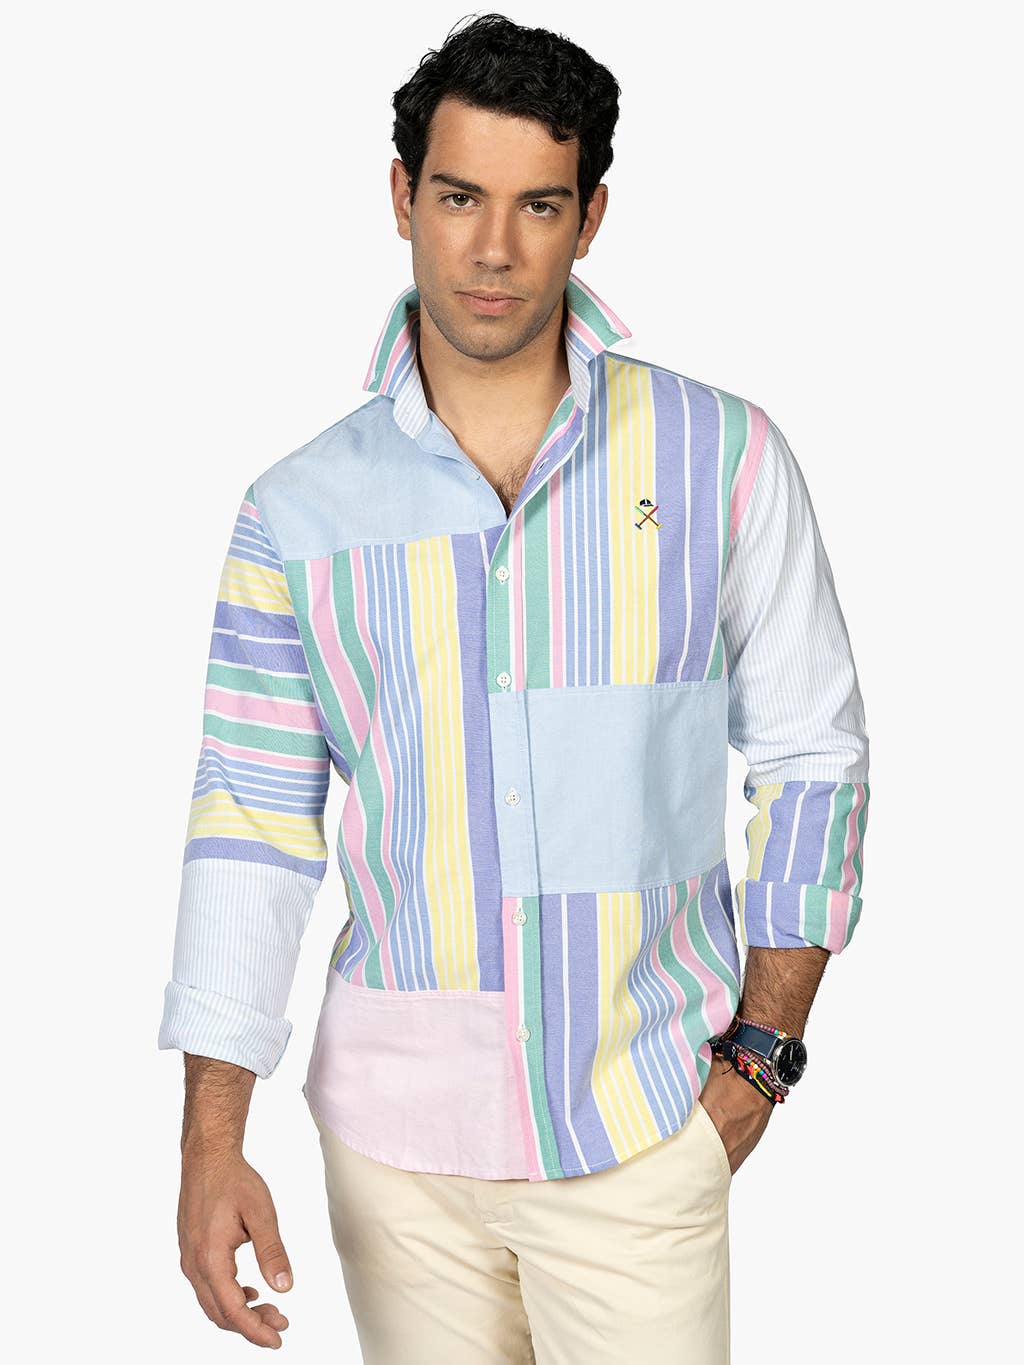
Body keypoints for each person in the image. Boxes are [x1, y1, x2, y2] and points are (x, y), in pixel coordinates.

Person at [158, 13, 870, 1363]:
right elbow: (249, 821)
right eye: (459, 197)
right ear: (401, 197)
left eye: (539, 204)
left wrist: (761, 1056)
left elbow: (813, 755)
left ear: (590, 216)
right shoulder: (295, 513)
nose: (493, 249)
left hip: (644, 1126)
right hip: (393, 1159)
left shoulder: (719, 456)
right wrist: (211, 1139)